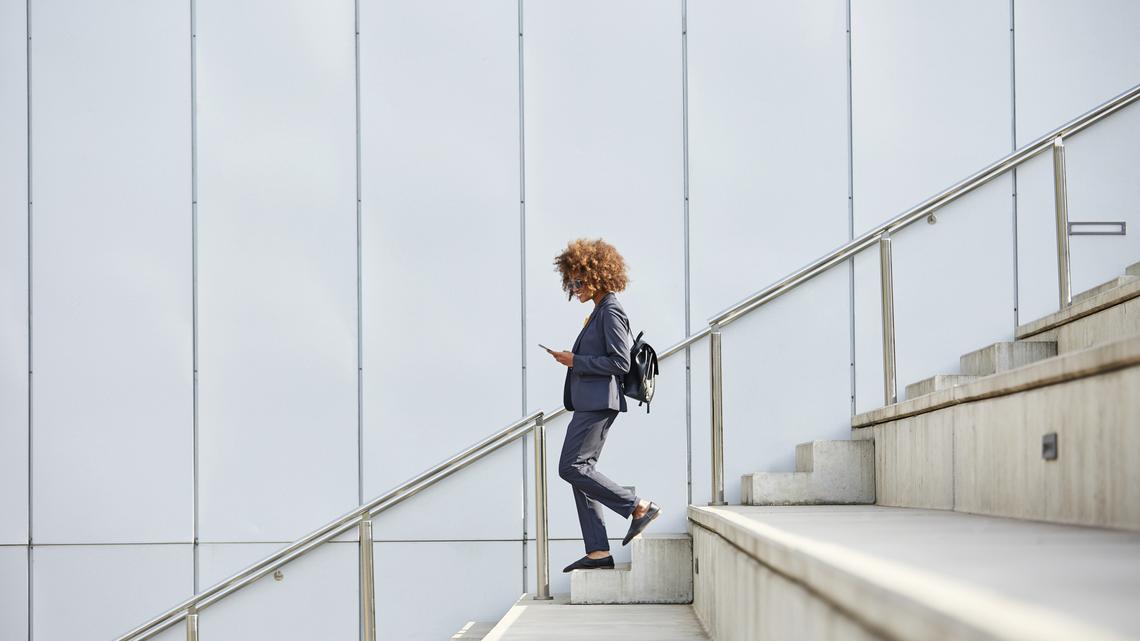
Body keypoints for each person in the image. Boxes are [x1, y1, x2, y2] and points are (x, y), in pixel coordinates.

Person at [545, 238, 661, 573]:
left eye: (579, 281)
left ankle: (638, 507)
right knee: (581, 473)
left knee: (572, 468)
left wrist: (575, 360)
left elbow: (620, 363)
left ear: (599, 275)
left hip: (598, 403)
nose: (575, 287)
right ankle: (598, 552)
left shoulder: (610, 311)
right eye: (571, 282)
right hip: (590, 402)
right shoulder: (599, 311)